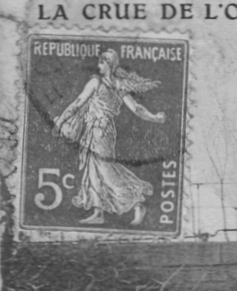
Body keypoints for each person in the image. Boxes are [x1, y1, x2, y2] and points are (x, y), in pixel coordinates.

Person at [53, 48, 166, 226]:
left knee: (106, 171)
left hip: (99, 131)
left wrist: (61, 122)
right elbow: (136, 108)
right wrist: (154, 117)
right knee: (94, 170)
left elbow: (78, 103)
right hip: (99, 131)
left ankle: (137, 202)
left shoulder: (96, 83)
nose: (98, 65)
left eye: (101, 62)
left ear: (109, 64)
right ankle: (98, 212)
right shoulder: (118, 85)